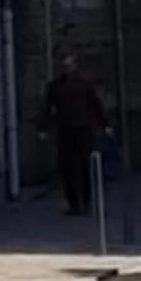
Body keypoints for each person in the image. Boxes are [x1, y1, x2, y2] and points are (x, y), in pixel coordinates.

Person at [44, 52, 106, 215]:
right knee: (67, 168)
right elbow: (48, 107)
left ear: (75, 67)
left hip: (83, 129)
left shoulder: (84, 85)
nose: (67, 69)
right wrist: (43, 127)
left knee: (84, 165)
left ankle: (85, 199)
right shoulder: (56, 86)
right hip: (66, 130)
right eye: (65, 66)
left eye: (70, 65)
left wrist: (103, 124)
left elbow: (95, 104)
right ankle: (73, 202)